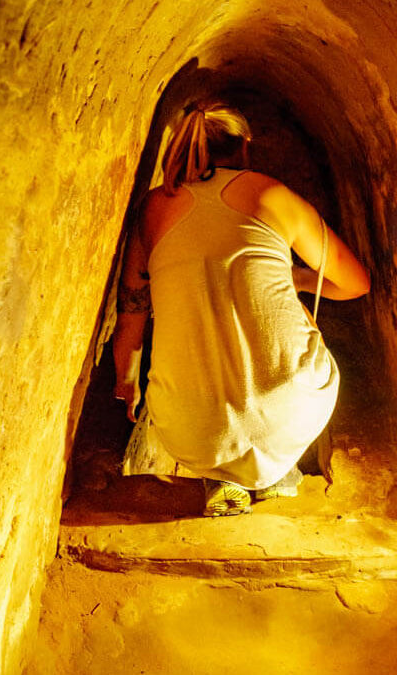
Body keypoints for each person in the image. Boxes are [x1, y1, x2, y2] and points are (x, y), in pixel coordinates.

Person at [113, 100, 370, 517]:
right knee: (294, 316)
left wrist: (127, 383)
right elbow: (354, 284)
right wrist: (295, 279)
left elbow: (133, 312)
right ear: (245, 145)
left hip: (187, 429)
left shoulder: (154, 207)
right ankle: (275, 470)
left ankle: (225, 475)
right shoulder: (272, 194)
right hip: (288, 413)